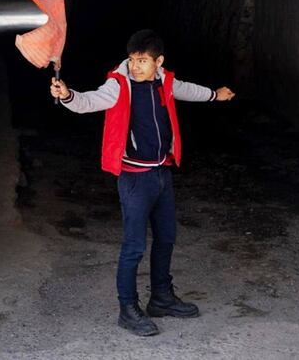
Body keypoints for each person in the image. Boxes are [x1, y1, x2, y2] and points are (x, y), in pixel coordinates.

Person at [49, 29, 235, 336]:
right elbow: (90, 101)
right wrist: (67, 95)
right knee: (134, 247)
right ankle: (128, 309)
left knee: (166, 239)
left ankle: (161, 298)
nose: (135, 66)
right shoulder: (119, 85)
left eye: (143, 60)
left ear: (158, 62)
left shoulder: (166, 82)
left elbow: (187, 89)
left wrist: (215, 94)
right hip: (134, 179)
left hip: (162, 174)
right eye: (132, 59)